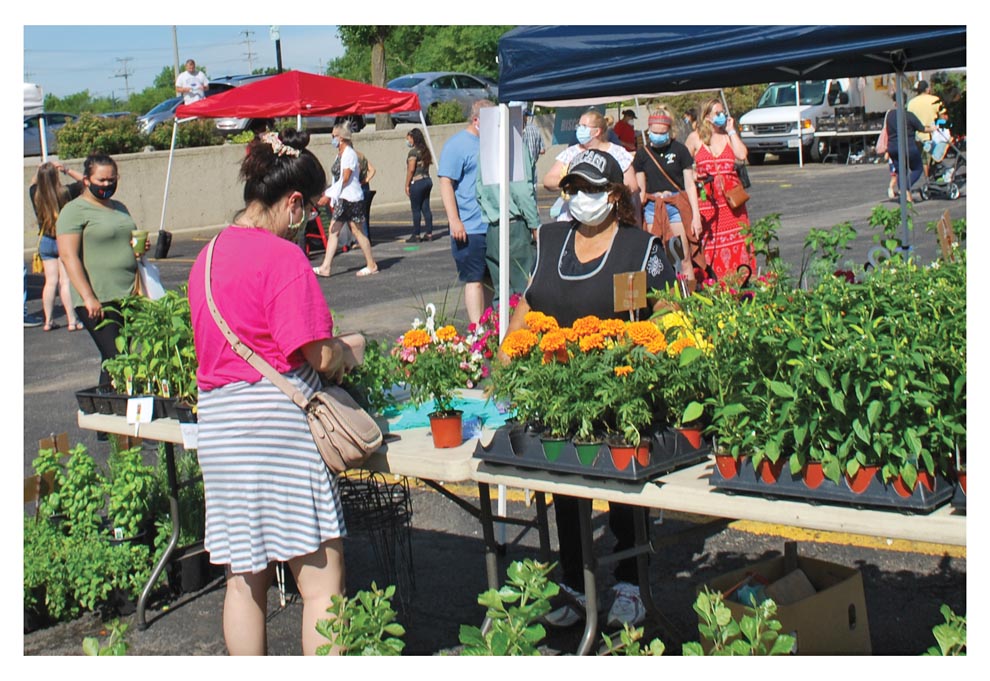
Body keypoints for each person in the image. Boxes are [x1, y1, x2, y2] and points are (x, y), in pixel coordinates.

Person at [187, 128, 356, 656]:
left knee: (245, 578)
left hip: (220, 429)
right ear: (293, 202)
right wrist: (351, 350)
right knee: (321, 582)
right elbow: (317, 356)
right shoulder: (283, 258)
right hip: (277, 430)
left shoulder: (206, 257)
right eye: (307, 210)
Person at [499, 149, 677, 629]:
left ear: (615, 196)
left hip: (618, 394)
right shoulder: (552, 238)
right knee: (565, 491)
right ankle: (575, 583)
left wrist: (636, 367)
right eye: (573, 189)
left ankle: (629, 584)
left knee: (622, 491)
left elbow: (653, 318)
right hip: (560, 392)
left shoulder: (635, 250)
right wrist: (505, 359)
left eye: (592, 190)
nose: (580, 198)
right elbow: (530, 301)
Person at [56, 153, 148, 387]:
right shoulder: (74, 211)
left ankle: (110, 410)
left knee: (123, 357)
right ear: (86, 180)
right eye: (101, 180)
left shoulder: (119, 208)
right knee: (116, 358)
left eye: (111, 180)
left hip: (129, 294)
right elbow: (68, 256)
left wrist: (138, 247)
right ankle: (109, 410)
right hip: (99, 297)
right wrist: (88, 296)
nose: (107, 185)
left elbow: (125, 241)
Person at [685, 98, 756, 279]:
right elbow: (683, 168)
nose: (722, 116)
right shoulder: (695, 138)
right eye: (718, 113)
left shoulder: (727, 136)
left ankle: (744, 284)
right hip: (708, 204)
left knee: (739, 243)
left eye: (723, 112)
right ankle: (716, 287)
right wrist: (694, 176)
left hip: (733, 203)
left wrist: (732, 130)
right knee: (712, 246)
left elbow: (742, 155)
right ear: (706, 116)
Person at [633, 106, 703, 287]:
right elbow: (640, 189)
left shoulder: (679, 150)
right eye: (653, 132)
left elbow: (689, 185)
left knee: (680, 258)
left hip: (674, 208)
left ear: (669, 131)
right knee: (653, 259)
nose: (656, 136)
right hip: (652, 209)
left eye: (661, 132)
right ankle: (658, 302)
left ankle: (687, 302)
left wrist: (696, 216)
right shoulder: (642, 154)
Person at [439, 99, 494, 325]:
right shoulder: (457, 145)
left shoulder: (492, 144)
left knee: (491, 280)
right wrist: (454, 220)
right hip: (469, 227)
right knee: (475, 280)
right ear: (476, 120)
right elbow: (446, 183)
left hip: (492, 224)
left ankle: (492, 327)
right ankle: (477, 330)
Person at [543, 109, 642, 226]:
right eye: (579, 126)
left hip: (608, 217)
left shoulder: (617, 152)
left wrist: (601, 190)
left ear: (597, 131)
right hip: (574, 217)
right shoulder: (571, 152)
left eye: (584, 126)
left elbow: (632, 186)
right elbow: (548, 180)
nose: (579, 129)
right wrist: (570, 182)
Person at [476, 136, 540, 306]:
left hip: (493, 227)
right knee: (524, 290)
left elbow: (478, 191)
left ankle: (500, 330)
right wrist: (534, 225)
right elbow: (522, 192)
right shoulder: (516, 148)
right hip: (515, 226)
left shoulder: (486, 150)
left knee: (501, 292)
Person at [312, 123, 379, 278]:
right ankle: (326, 266)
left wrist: (328, 195)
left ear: (341, 138)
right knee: (334, 230)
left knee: (357, 231)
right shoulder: (340, 155)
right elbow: (338, 179)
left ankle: (371, 264)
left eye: (333, 136)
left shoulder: (349, 154)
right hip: (342, 198)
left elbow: (346, 178)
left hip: (351, 199)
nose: (332, 139)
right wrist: (331, 194)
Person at [29, 161, 85, 331]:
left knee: (50, 282)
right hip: (63, 239)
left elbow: (33, 183)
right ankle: (72, 321)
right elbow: (85, 181)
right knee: (65, 282)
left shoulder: (35, 194)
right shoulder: (65, 192)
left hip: (45, 240)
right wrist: (66, 169)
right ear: (56, 176)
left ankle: (48, 321)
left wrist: (40, 169)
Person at [885, 90, 936, 201]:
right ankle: (905, 187)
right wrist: (933, 128)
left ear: (895, 103)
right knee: (918, 168)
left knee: (900, 171)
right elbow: (922, 128)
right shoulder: (909, 116)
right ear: (905, 102)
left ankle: (907, 198)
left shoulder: (889, 115)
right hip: (907, 146)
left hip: (893, 147)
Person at [906, 80, 943, 180]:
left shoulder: (911, 103)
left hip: (918, 136)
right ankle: (932, 180)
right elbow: (944, 116)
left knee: (924, 160)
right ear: (927, 89)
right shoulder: (935, 100)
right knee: (936, 157)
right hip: (934, 135)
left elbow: (909, 119)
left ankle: (927, 179)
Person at [404, 128, 434, 243]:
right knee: (426, 208)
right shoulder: (425, 150)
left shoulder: (413, 152)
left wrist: (407, 184)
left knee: (416, 209)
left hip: (417, 182)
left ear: (413, 138)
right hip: (427, 180)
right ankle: (429, 233)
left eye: (409, 138)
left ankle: (416, 234)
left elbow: (411, 170)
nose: (407, 141)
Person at [521, 109, 545, 189]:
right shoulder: (535, 129)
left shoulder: (512, 128)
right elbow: (542, 150)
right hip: (532, 169)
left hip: (519, 170)